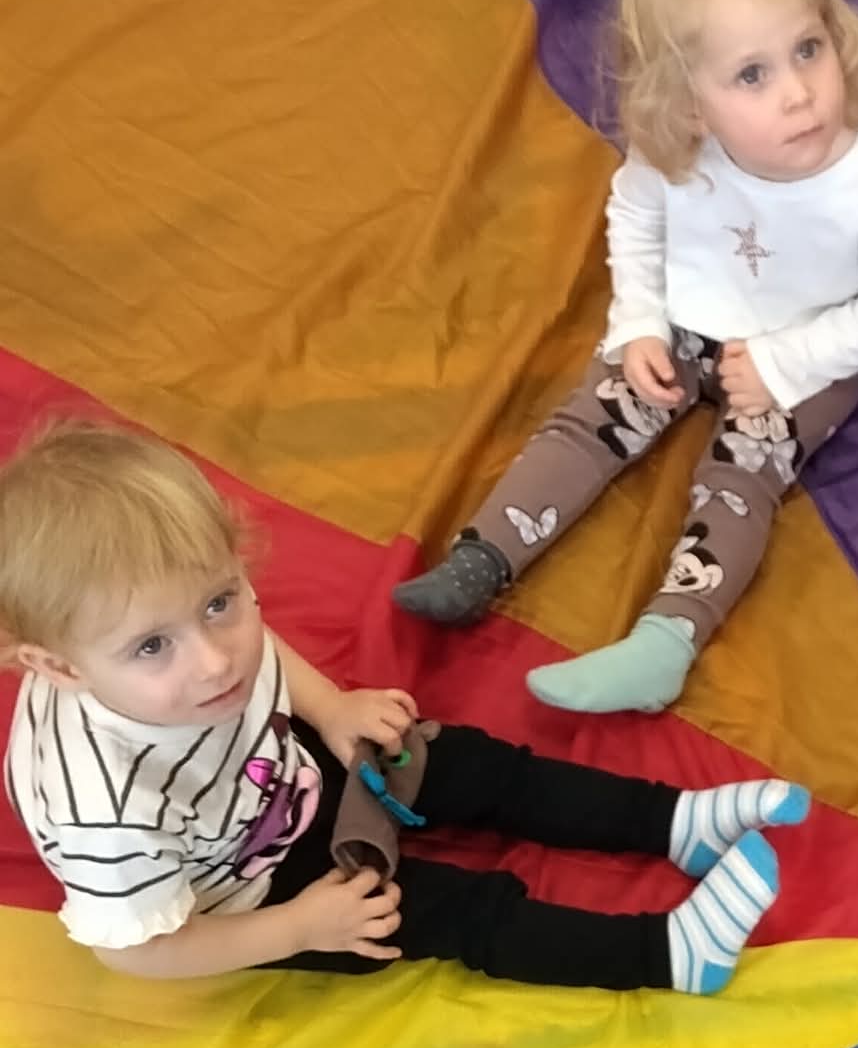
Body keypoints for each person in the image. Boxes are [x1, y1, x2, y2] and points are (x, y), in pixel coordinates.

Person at [392, 0, 858, 717]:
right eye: (751, 75)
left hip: (810, 348)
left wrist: (787, 362)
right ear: (690, 104)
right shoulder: (678, 152)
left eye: (807, 49)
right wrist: (641, 324)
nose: (798, 92)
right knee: (592, 416)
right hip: (690, 321)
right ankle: (483, 557)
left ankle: (665, 642)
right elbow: (635, 219)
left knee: (742, 473)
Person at [2, 420, 802, 989]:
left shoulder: (194, 646)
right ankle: (667, 954)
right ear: (57, 666)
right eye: (152, 646)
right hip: (257, 892)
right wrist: (298, 928)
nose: (216, 660)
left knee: (473, 766)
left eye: (219, 602)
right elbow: (135, 949)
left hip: (283, 771)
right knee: (453, 908)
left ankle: (676, 823)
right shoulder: (102, 808)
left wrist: (330, 709)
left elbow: (259, 648)